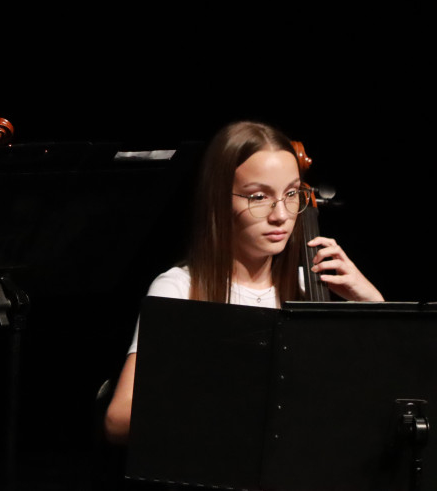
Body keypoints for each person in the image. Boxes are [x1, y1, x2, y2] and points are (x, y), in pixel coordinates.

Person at [102, 120, 383, 445]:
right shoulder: (179, 289)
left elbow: (380, 400)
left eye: (291, 193)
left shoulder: (310, 287)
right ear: (220, 200)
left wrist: (371, 302)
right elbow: (119, 420)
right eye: (259, 196)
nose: (281, 214)